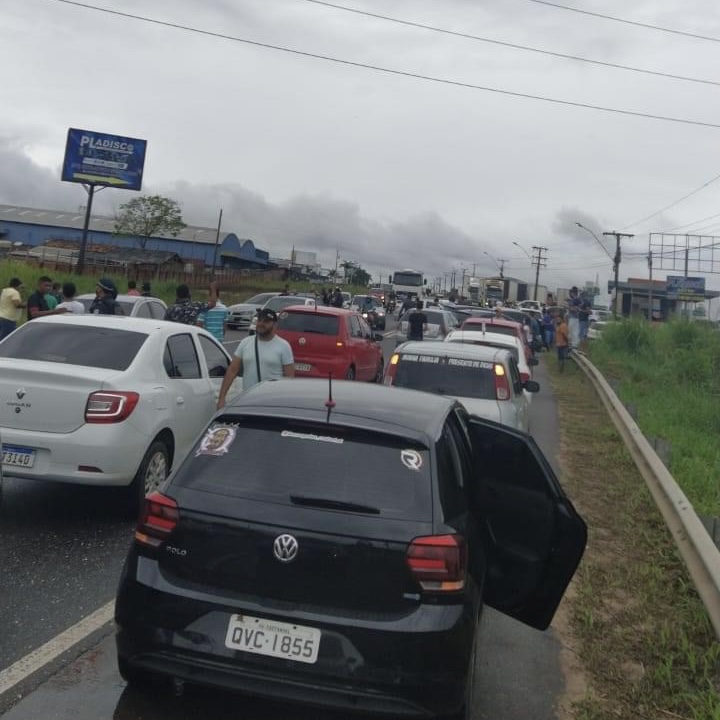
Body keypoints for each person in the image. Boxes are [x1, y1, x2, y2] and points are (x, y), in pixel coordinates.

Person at [216, 308, 295, 408]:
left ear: (275, 325)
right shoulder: (246, 343)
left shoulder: (283, 346)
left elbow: (289, 377)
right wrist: (221, 398)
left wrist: (285, 403)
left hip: (273, 403)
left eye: (266, 321)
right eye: (259, 320)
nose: (261, 323)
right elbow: (232, 370)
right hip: (248, 400)